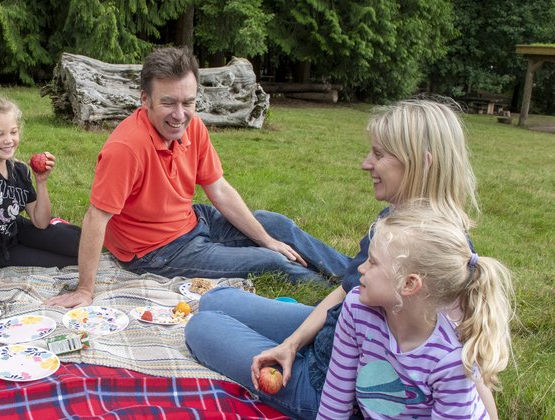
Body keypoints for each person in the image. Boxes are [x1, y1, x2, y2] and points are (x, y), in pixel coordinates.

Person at [185, 99, 499, 419]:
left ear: (421, 163)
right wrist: (292, 343)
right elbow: (348, 291)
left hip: (327, 385)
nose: (366, 163)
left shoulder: (439, 256)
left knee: (202, 325)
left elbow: (468, 362)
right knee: (216, 300)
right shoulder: (395, 222)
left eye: (378, 154)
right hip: (334, 337)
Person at [45, 47, 348, 308]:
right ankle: (346, 300)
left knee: (277, 226)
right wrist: (85, 289)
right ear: (145, 100)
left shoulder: (194, 127)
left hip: (193, 220)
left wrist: (267, 238)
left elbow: (218, 188)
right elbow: (96, 218)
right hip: (156, 252)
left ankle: (357, 276)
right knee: (271, 261)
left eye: (187, 102)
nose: (180, 114)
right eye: (168, 103)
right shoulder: (126, 148)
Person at [318, 206, 512, 418]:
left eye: (373, 262)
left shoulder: (450, 360)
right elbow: (335, 398)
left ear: (409, 284)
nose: (361, 268)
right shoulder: (357, 308)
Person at [0, 95, 81, 268]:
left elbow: (40, 222)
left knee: (81, 243)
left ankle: (58, 226)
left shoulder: (19, 170)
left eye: (13, 132)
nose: (8, 140)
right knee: (70, 262)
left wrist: (41, 182)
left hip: (15, 231)